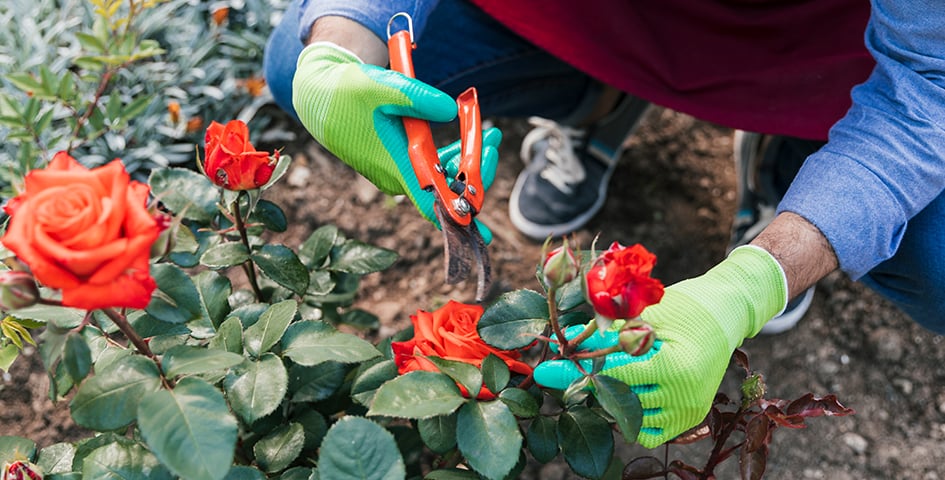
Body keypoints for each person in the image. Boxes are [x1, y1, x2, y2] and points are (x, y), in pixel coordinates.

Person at [263, 0, 945, 448]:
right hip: (590, 16)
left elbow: (927, 91)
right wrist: (340, 43)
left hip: (826, 50)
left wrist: (758, 278)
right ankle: (596, 100)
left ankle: (799, 157)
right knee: (310, 57)